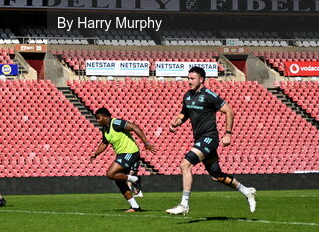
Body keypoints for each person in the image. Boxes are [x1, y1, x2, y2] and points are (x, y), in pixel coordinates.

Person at [165, 67, 256, 216]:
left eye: (192, 79)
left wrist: (228, 134)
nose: (189, 81)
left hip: (210, 138)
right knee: (216, 175)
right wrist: (176, 122)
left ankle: (184, 204)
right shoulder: (187, 96)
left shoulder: (209, 95)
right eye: (188, 78)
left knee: (185, 164)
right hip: (200, 138)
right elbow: (185, 112)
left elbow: (229, 111)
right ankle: (247, 191)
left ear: (201, 80)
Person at [89, 107, 155, 212]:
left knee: (110, 173)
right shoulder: (105, 129)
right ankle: (135, 207)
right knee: (118, 180)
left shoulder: (116, 123)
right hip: (121, 155)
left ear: (105, 117)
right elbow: (104, 143)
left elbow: (134, 127)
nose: (97, 121)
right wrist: (95, 154)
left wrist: (146, 143)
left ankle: (135, 179)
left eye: (98, 118)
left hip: (131, 152)